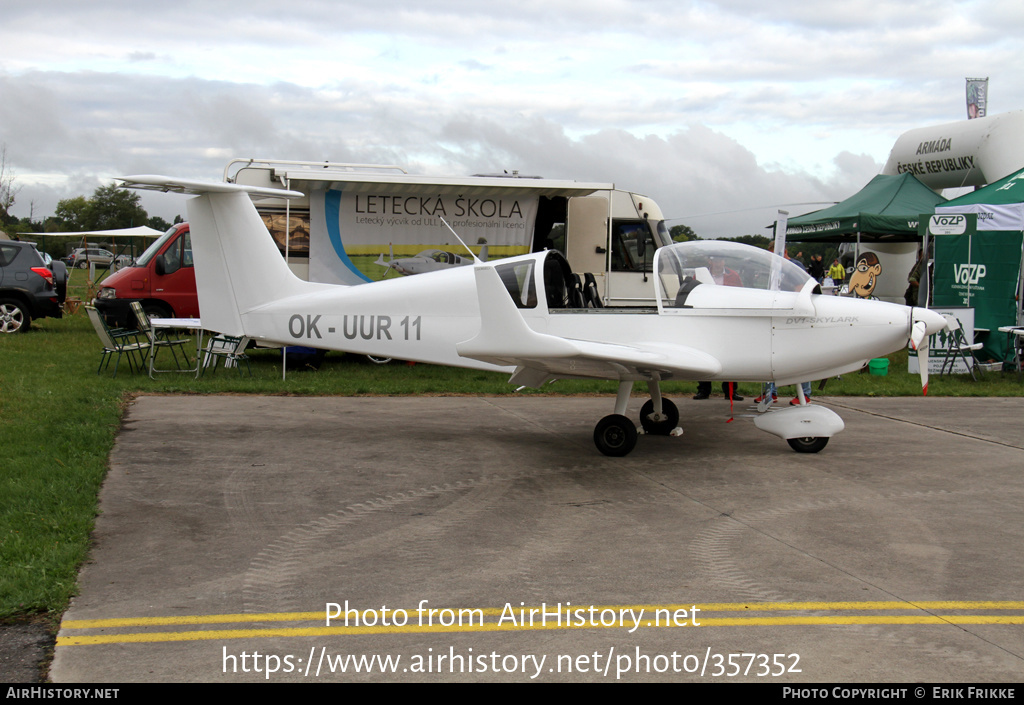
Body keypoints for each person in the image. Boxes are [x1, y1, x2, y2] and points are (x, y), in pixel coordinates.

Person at [695, 256, 743, 400]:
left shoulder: (733, 276)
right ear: (710, 261)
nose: (718, 263)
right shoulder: (699, 275)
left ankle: (730, 391)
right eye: (716, 260)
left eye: (721, 260)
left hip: (727, 319)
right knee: (704, 352)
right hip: (706, 318)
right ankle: (703, 390)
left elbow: (740, 295)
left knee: (730, 353)